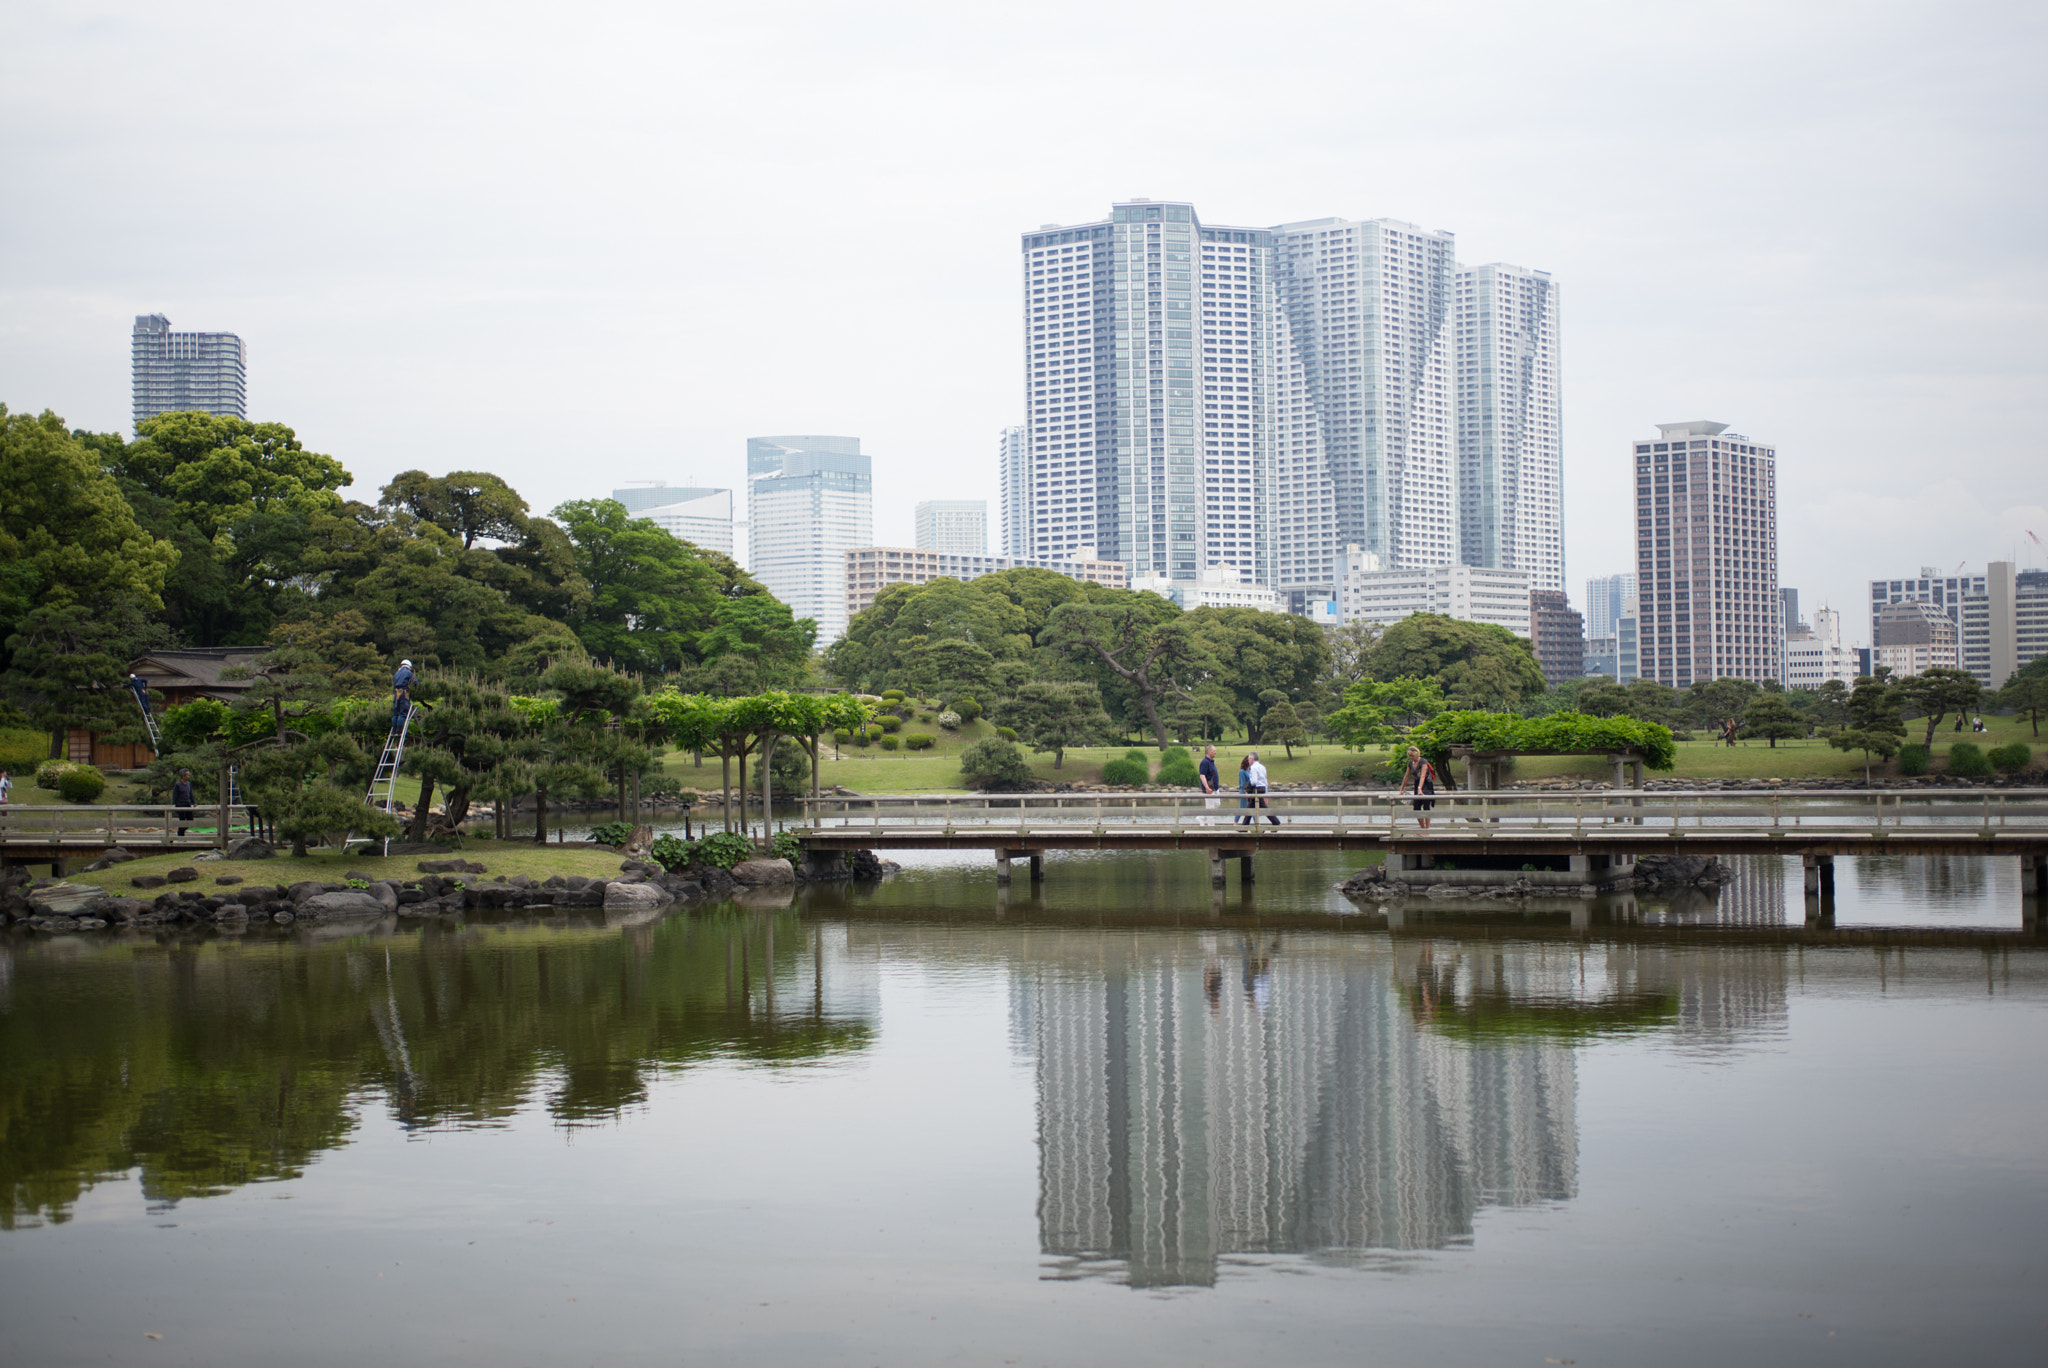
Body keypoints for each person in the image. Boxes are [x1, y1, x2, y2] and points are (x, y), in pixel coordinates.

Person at [1398, 745, 1439, 831]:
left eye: (1412, 755)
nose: (1411, 757)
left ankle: (1427, 829)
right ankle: (1422, 828)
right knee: (1416, 806)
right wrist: (1402, 789)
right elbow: (1406, 776)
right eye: (1409, 756)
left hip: (1426, 784)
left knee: (1426, 805)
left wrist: (1420, 788)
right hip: (1417, 783)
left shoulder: (1423, 761)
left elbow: (1423, 775)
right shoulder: (1410, 763)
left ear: (1416, 754)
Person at [1246, 751, 1279, 825]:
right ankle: (1244, 825)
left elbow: (1254, 782)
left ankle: (1276, 822)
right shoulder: (1262, 767)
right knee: (1250, 806)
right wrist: (1265, 793)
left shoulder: (1253, 767)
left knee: (1262, 807)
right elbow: (1265, 781)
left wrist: (1249, 783)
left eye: (1248, 760)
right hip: (1263, 788)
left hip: (1257, 789)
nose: (1248, 761)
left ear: (1251, 759)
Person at [391, 658, 416, 730]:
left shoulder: (396, 673)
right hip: (404, 692)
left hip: (397, 693)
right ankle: (399, 731)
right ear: (409, 667)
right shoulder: (408, 672)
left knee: (396, 712)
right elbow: (415, 682)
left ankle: (394, 731)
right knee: (403, 712)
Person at [171, 768, 196, 837]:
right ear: (183, 776)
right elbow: (175, 795)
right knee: (182, 821)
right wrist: (174, 805)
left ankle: (180, 832)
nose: (189, 776)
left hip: (187, 804)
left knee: (190, 820)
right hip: (180, 805)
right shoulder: (178, 785)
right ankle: (181, 835)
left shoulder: (189, 784)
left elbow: (191, 794)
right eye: (187, 775)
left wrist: (194, 802)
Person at [1198, 744, 1222, 813]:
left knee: (1217, 804)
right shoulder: (1205, 762)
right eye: (1214, 751)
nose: (1215, 752)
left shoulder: (1211, 762)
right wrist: (1207, 787)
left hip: (1215, 788)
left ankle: (1202, 818)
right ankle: (1210, 823)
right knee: (1210, 808)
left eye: (1215, 751)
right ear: (1209, 752)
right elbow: (1202, 776)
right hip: (1209, 789)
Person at [1235, 754, 1254, 825]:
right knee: (1242, 808)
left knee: (1252, 808)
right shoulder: (1242, 771)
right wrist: (1246, 792)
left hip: (1249, 792)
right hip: (1244, 792)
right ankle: (1235, 822)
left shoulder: (1249, 770)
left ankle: (1256, 823)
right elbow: (1243, 783)